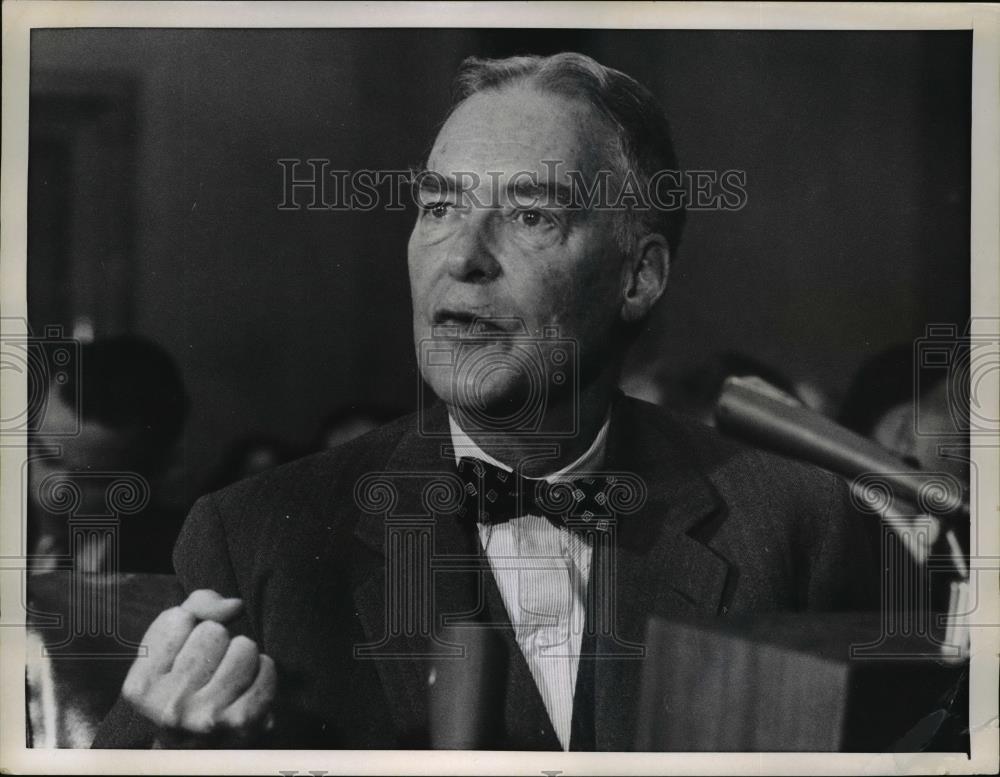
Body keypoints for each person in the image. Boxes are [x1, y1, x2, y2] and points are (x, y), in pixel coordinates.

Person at [93, 52, 878, 751]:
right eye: (439, 207)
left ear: (638, 277)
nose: (463, 257)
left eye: (532, 216)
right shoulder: (256, 536)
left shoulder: (798, 521)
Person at [28, 335, 190, 574]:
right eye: (46, 457)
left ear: (159, 472)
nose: (56, 494)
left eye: (93, 479)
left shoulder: (183, 560)